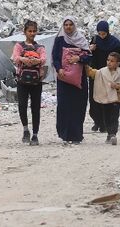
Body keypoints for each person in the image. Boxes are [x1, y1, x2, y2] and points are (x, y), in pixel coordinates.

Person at [52, 16, 91, 144]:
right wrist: (59, 69)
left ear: (75, 26)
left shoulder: (81, 39)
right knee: (64, 106)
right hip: (64, 79)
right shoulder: (59, 40)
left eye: (70, 25)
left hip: (78, 80)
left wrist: (78, 59)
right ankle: (64, 134)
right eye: (66, 25)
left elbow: (89, 57)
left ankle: (76, 135)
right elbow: (55, 57)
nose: (68, 27)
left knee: (78, 106)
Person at [11, 20, 46, 146]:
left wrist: (34, 61)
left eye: (34, 31)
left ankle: (35, 134)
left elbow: (43, 59)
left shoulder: (40, 47)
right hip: (22, 81)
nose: (32, 33)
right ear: (24, 32)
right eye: (30, 31)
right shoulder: (19, 46)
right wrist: (24, 59)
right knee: (22, 106)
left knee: (36, 108)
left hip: (36, 82)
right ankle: (26, 130)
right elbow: (15, 57)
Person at [86, 52, 120, 145]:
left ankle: (113, 134)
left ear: (118, 63)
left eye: (112, 61)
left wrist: (117, 86)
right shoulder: (102, 71)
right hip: (105, 99)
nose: (109, 62)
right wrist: (86, 67)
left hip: (116, 99)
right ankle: (109, 134)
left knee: (114, 117)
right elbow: (93, 73)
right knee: (107, 117)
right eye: (108, 60)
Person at [88, 20, 120, 133]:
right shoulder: (95, 40)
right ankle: (97, 121)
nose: (102, 36)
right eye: (100, 33)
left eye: (104, 33)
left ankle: (106, 124)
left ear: (108, 32)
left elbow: (118, 61)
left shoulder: (115, 43)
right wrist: (90, 49)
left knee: (107, 100)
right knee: (95, 99)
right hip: (96, 74)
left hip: (109, 75)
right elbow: (89, 56)